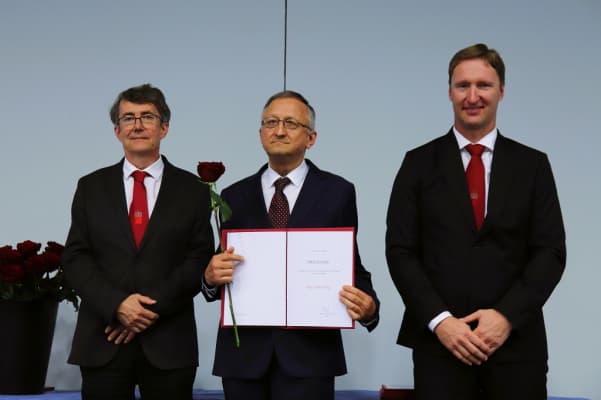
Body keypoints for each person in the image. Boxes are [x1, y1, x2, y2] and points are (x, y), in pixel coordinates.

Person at [385, 43, 566, 400]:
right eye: (462, 85)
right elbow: (401, 251)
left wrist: (505, 317)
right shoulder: (417, 164)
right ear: (449, 92)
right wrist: (441, 321)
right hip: (441, 346)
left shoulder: (533, 166)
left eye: (483, 85)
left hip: (516, 345)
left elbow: (550, 252)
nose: (472, 96)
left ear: (501, 91)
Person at [201, 90, 380, 400]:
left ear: (311, 138)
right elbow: (221, 268)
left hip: (310, 357)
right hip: (244, 359)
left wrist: (370, 309)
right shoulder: (233, 196)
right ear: (260, 134)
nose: (279, 131)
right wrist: (208, 277)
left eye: (290, 123)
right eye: (271, 122)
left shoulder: (338, 192)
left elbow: (349, 262)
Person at [62, 84, 214, 400]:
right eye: (128, 118)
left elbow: (198, 259)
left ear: (164, 128)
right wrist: (117, 305)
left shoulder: (194, 190)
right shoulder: (91, 187)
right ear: (117, 130)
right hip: (103, 339)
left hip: (169, 342)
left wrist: (144, 311)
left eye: (147, 116)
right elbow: (76, 258)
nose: (138, 125)